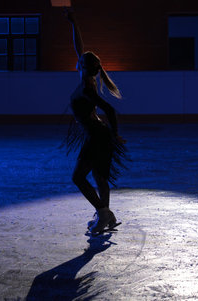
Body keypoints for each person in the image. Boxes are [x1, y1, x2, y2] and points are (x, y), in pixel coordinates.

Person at [65, 8, 128, 235]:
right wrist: (74, 23)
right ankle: (106, 216)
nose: (77, 60)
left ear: (83, 66)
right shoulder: (87, 77)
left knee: (78, 177)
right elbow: (79, 49)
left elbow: (110, 109)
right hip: (99, 134)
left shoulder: (87, 86)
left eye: (79, 61)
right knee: (99, 176)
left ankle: (103, 213)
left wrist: (115, 134)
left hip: (98, 135)